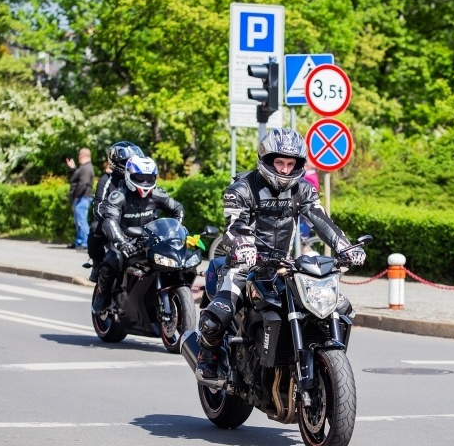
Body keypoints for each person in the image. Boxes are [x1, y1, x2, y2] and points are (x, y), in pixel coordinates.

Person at [195, 128, 366, 379]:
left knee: (339, 306)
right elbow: (234, 227)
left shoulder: (303, 190)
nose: (285, 169)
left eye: (290, 163)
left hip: (284, 266)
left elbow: (321, 220)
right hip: (243, 266)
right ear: (265, 159)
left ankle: (321, 361)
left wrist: (346, 247)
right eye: (279, 162)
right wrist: (244, 246)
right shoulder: (242, 189)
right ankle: (207, 357)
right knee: (221, 312)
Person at [91, 155, 185, 314]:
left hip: (149, 240)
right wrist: (122, 242)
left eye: (149, 178)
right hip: (122, 240)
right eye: (139, 177)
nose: (144, 181)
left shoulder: (158, 194)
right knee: (113, 259)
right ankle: (102, 295)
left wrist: (176, 230)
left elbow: (178, 209)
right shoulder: (118, 196)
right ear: (128, 175)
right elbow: (109, 221)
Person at [86, 142, 145, 282]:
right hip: (113, 221)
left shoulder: (142, 179)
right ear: (115, 162)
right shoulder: (107, 180)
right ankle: (96, 262)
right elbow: (99, 207)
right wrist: (110, 222)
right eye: (126, 162)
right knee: (95, 228)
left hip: (135, 221)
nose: (130, 165)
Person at [65, 148, 95, 251]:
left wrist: (77, 194)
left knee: (81, 221)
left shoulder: (86, 168)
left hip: (83, 197)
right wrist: (73, 168)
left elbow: (83, 183)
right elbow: (78, 176)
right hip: (82, 197)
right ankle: (79, 241)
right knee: (78, 221)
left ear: (82, 155)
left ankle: (85, 243)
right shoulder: (84, 167)